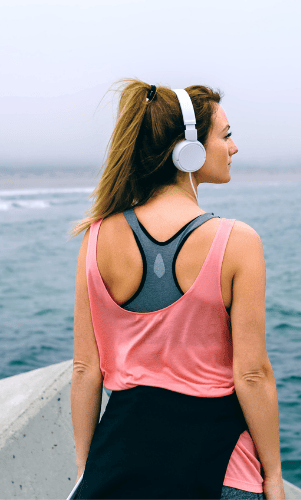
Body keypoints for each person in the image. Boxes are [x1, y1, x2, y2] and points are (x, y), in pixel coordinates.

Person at [69, 79, 286, 500]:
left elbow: (84, 370)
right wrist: (273, 476)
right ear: (190, 149)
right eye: (225, 136)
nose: (234, 147)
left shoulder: (95, 238)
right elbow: (252, 374)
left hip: (120, 468)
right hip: (222, 470)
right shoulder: (237, 242)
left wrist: (87, 469)